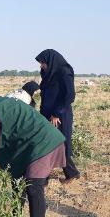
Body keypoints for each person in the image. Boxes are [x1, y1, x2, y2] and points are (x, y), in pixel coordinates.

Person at [35, 49, 80, 183]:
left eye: (43, 62)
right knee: (49, 144)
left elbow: (69, 96)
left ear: (51, 61)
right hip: (47, 114)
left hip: (60, 115)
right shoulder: (48, 73)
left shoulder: (64, 72)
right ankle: (70, 173)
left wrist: (56, 113)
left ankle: (46, 178)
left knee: (57, 144)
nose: (41, 65)